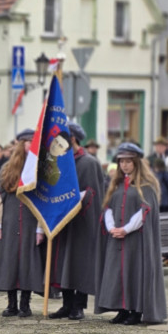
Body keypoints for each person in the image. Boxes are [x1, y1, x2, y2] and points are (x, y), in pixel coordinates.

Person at [94, 142, 167, 324]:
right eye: (121, 161)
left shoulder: (146, 186)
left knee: (135, 272)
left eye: (128, 161)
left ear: (136, 162)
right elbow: (108, 208)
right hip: (116, 238)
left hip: (136, 239)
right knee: (118, 272)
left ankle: (136, 310)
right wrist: (112, 227)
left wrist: (126, 229)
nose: (124, 165)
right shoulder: (116, 184)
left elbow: (145, 211)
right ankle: (122, 309)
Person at [48, 123, 106, 320]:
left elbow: (95, 193)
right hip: (62, 221)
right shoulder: (58, 161)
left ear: (73, 140)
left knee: (80, 262)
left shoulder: (89, 163)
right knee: (63, 261)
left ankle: (79, 306)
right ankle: (66, 304)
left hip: (83, 221)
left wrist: (76, 199)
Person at [0, 136, 45, 318]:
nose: (28, 147)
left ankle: (25, 304)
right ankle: (11, 304)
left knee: (28, 262)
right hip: (9, 221)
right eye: (26, 143)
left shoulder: (39, 169)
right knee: (9, 262)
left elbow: (43, 202)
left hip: (30, 221)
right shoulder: (7, 168)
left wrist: (40, 228)